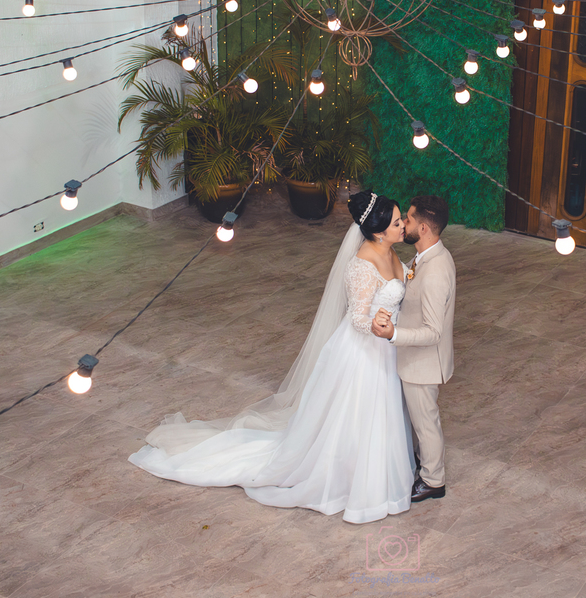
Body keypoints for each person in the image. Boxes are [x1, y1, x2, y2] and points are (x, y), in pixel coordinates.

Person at [129, 190, 415, 524]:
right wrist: (377, 324)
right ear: (378, 231)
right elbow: (357, 318)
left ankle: (379, 469)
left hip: (387, 347)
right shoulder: (361, 265)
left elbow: (399, 283)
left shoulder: (389, 250)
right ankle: (353, 478)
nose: (403, 226)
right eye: (397, 222)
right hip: (364, 352)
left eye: (401, 220)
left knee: (383, 411)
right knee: (358, 414)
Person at [372, 195, 455, 502]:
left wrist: (393, 334)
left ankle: (433, 481)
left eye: (407, 219)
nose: (403, 223)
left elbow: (433, 332)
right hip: (416, 360)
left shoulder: (435, 271)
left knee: (426, 423)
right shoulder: (426, 257)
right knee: (420, 421)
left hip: (424, 363)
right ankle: (423, 462)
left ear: (423, 229)